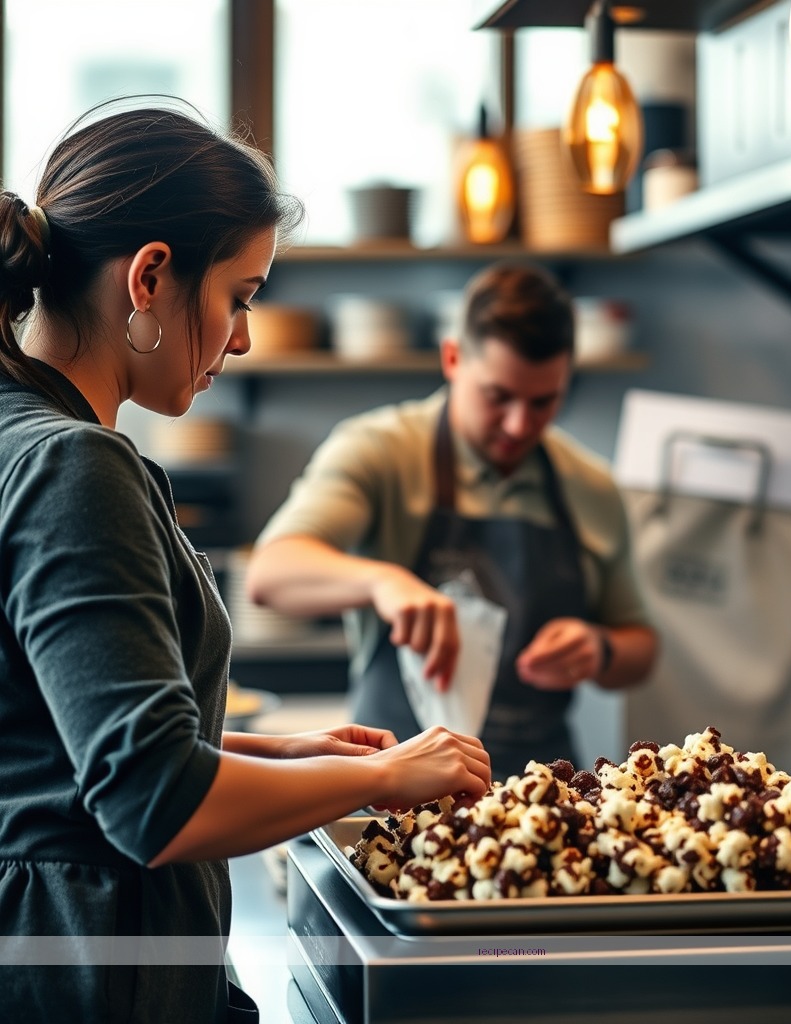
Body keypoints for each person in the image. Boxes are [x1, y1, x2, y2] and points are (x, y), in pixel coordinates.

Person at [0, 99, 490, 1024]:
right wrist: (383, 779)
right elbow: (152, 804)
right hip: (90, 972)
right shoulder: (75, 465)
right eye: (241, 296)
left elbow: (62, 752)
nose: (244, 336)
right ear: (150, 277)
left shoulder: (17, 435)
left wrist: (283, 754)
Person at [246, 262, 658, 780]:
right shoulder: (380, 450)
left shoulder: (591, 486)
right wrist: (382, 581)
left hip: (542, 802)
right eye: (498, 396)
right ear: (453, 357)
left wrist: (600, 650)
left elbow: (640, 646)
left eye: (543, 402)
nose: (519, 425)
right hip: (394, 786)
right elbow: (271, 573)